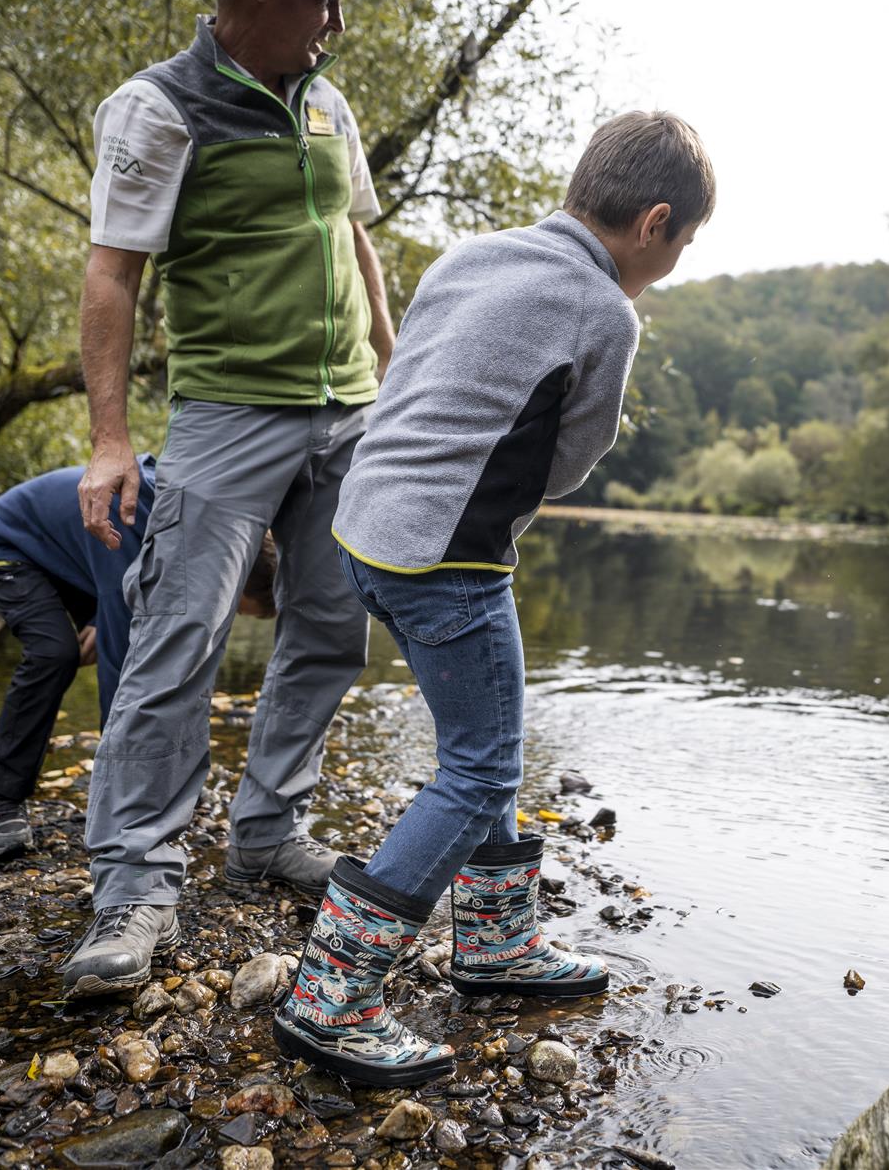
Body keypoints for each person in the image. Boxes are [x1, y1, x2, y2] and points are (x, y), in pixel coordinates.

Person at [274, 112, 715, 1087]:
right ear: (653, 223)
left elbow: (414, 376)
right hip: (446, 558)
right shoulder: (605, 311)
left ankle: (496, 945)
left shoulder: (470, 257)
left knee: (489, 734)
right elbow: (573, 455)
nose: (678, 256)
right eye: (685, 241)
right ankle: (329, 999)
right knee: (475, 770)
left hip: (364, 530)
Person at [63, 0, 396, 999]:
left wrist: (393, 382)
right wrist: (110, 441)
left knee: (330, 631)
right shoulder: (157, 108)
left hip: (346, 416)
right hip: (226, 414)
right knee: (175, 643)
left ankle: (266, 832)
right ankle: (134, 888)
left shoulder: (329, 110)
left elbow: (356, 244)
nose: (334, 21)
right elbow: (113, 274)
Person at [0, 458, 276, 861]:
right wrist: (124, 782)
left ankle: (149, 779)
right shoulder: (139, 520)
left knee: (137, 636)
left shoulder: (201, 540)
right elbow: (122, 662)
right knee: (55, 653)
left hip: (79, 554)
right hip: (12, 541)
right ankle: (0, 795)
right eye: (237, 608)